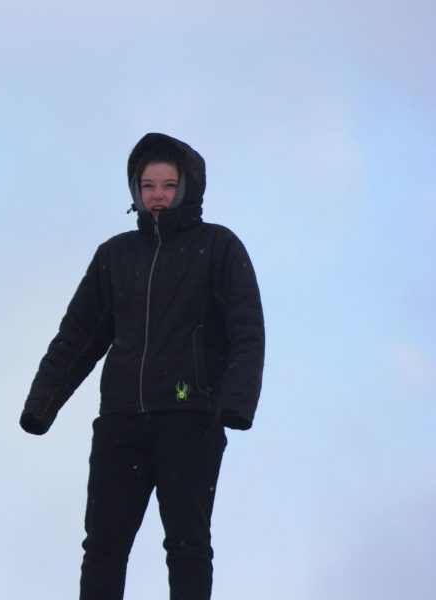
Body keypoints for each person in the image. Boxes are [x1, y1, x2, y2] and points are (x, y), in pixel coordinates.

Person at [20, 133, 265, 599]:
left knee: (188, 545)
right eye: (148, 185)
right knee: (103, 546)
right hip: (120, 421)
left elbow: (247, 329)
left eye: (169, 184)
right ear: (135, 191)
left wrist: (236, 402)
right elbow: (78, 337)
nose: (158, 195)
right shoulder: (115, 255)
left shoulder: (218, 246)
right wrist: (42, 404)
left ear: (188, 188)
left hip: (189, 419)